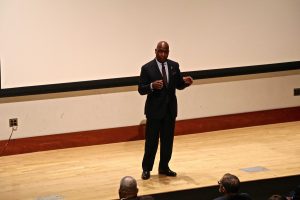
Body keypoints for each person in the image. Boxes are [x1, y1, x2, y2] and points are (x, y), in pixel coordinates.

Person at [138, 41, 193, 180]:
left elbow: (178, 85)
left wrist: (185, 83)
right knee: (151, 141)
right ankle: (146, 169)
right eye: (160, 51)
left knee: (167, 141)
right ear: (155, 51)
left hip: (169, 111)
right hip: (154, 111)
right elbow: (141, 89)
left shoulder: (174, 66)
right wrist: (151, 86)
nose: (163, 54)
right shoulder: (147, 68)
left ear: (168, 52)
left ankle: (164, 167)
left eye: (165, 52)